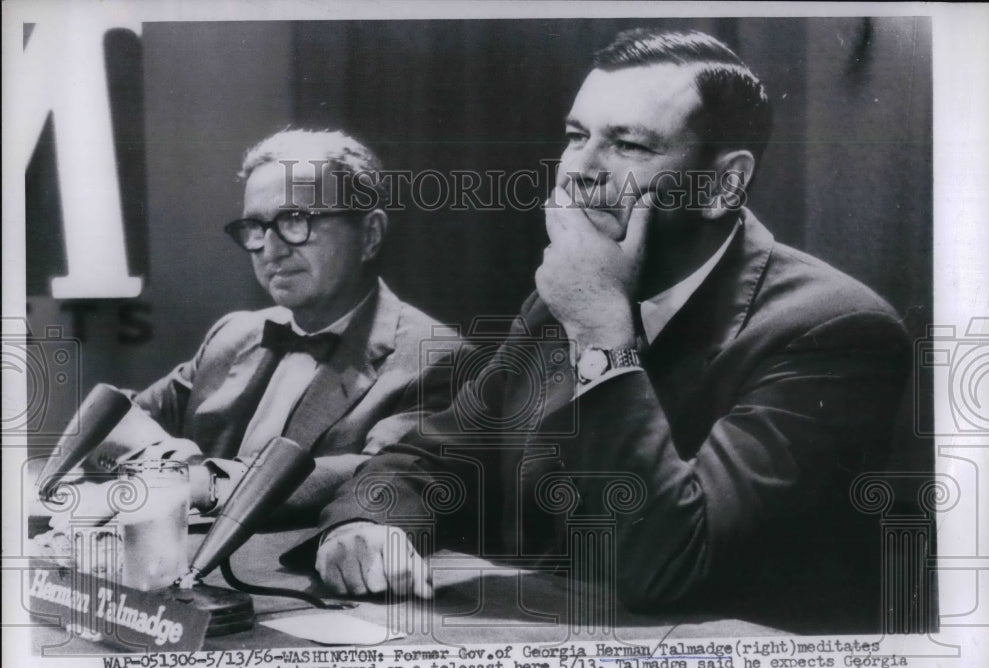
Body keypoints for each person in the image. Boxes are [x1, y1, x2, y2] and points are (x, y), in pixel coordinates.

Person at [297, 29, 911, 631]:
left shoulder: (835, 330)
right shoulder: (555, 301)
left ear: (724, 183)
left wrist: (599, 331)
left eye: (629, 146)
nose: (578, 170)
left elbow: (670, 568)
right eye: (575, 137)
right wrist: (366, 524)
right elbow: (431, 458)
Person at [79, 129, 458, 529]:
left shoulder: (435, 357)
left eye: (295, 220)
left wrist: (208, 483)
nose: (271, 250)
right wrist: (174, 469)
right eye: (256, 227)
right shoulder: (234, 334)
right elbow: (111, 419)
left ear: (370, 235)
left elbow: (384, 479)